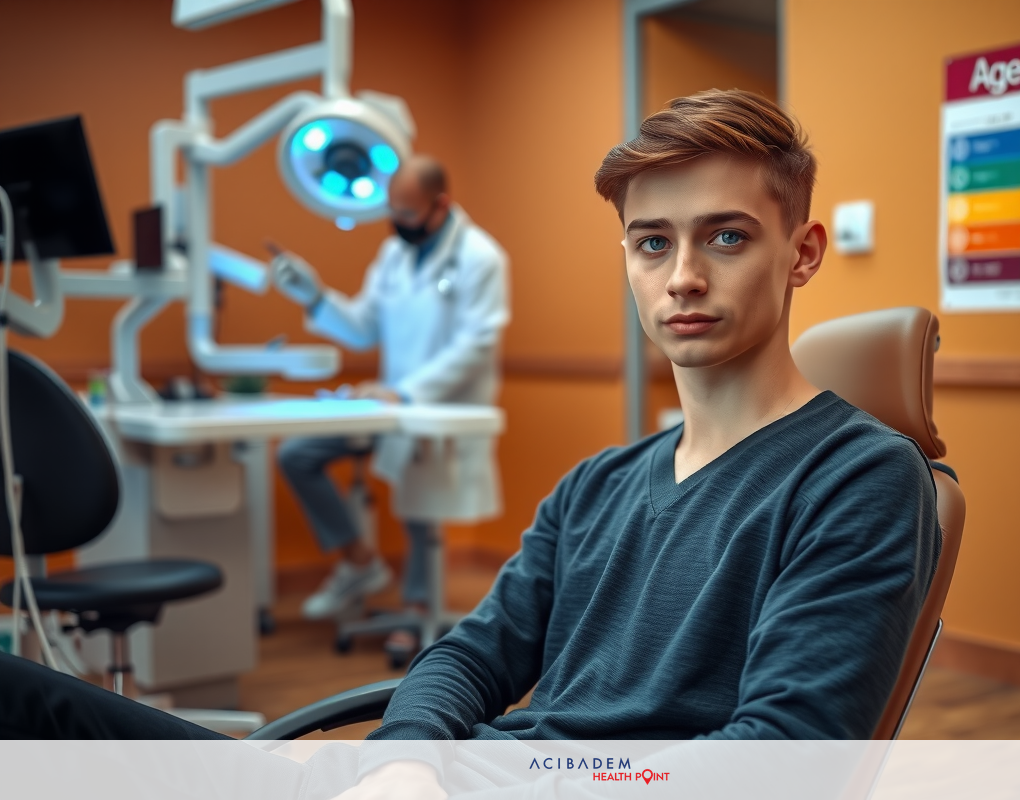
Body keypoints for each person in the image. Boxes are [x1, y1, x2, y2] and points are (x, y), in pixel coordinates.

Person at [0, 91, 939, 797]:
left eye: (725, 238)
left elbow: (777, 763)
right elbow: (468, 657)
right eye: (652, 244)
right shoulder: (595, 487)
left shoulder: (857, 477)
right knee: (27, 702)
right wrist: (408, 761)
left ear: (804, 253)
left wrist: (502, 777)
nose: (683, 277)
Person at [271, 155, 509, 655]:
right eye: (393, 212)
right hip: (391, 406)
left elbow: (475, 346)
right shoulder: (393, 256)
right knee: (297, 454)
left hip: (440, 408)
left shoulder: (481, 258)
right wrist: (314, 298)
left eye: (408, 214)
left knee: (420, 506)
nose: (397, 224)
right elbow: (361, 326)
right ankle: (359, 561)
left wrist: (406, 392)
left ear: (440, 205)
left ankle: (419, 610)